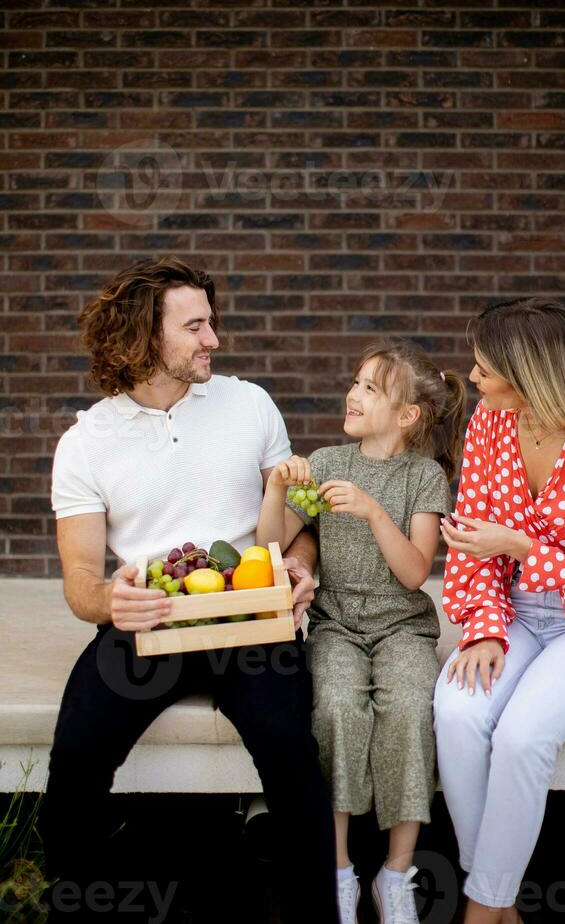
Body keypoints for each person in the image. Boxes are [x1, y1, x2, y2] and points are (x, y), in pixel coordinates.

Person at [41, 256, 338, 924]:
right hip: (151, 621)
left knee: (292, 752)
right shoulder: (87, 442)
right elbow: (82, 580)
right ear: (147, 335)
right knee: (78, 755)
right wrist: (110, 601)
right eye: (195, 325)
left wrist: (300, 562)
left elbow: (296, 518)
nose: (214, 339)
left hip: (251, 620)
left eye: (212, 322)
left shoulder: (249, 404)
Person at [433, 298, 565, 924]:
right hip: (515, 612)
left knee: (523, 737)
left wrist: (523, 546)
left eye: (483, 369)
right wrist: (484, 627)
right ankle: (502, 901)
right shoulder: (490, 426)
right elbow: (471, 547)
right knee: (457, 710)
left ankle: (479, 909)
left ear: (528, 375)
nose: (472, 378)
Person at [256, 339, 466, 924]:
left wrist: (373, 510)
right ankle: (340, 867)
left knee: (405, 705)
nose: (353, 393)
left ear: (407, 415)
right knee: (337, 710)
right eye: (355, 382)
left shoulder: (423, 477)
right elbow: (269, 544)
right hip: (337, 624)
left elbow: (416, 572)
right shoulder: (325, 463)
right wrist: (276, 489)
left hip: (402, 626)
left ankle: (395, 874)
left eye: (371, 388)